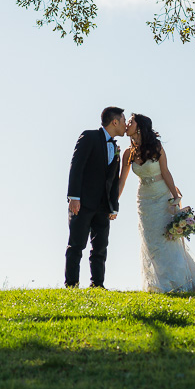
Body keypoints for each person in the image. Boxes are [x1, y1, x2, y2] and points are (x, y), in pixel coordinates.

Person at [118, 113, 195, 293]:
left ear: (139, 126)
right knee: (151, 240)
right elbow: (122, 180)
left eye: (130, 122)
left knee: (167, 239)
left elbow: (166, 172)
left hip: (162, 196)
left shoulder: (156, 147)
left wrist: (176, 197)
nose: (127, 124)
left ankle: (178, 282)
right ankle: (159, 284)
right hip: (144, 200)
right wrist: (114, 202)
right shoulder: (128, 153)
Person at [64, 106, 126, 288]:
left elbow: (113, 181)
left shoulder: (116, 148)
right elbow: (76, 167)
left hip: (103, 207)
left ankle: (97, 285)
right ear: (115, 122)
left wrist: (113, 206)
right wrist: (74, 197)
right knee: (76, 245)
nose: (124, 125)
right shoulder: (89, 137)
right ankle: (72, 284)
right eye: (123, 121)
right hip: (82, 203)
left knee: (100, 248)